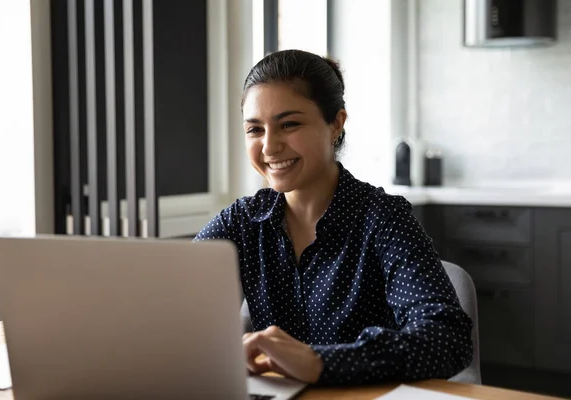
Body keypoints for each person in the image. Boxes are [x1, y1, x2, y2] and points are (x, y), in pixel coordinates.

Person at [194, 49, 473, 386]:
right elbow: (169, 305)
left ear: (335, 124)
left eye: (289, 124)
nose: (269, 147)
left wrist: (319, 362)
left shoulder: (384, 218)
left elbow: (447, 339)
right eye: (255, 130)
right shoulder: (239, 222)